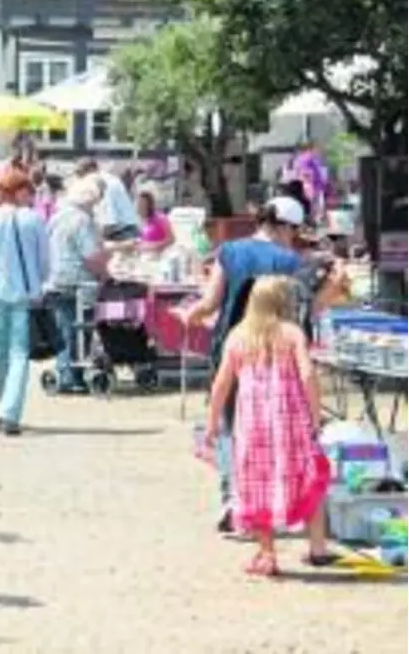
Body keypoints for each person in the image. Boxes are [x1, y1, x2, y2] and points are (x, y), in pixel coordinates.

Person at [177, 196, 309, 533]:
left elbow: (210, 302)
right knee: (268, 432)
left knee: (229, 426)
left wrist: (190, 315)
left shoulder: (229, 251)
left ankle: (232, 497)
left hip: (232, 347)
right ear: (284, 227)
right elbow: (299, 312)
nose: (293, 238)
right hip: (278, 355)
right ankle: (268, 502)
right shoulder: (291, 261)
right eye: (294, 231)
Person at [205, 275, 333, 576]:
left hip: (251, 422)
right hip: (289, 418)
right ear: (283, 302)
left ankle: (267, 553)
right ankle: (317, 547)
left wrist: (212, 422)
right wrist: (315, 413)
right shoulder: (291, 333)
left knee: (255, 481)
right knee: (310, 474)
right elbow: (307, 374)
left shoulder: (238, 335)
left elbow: (221, 383)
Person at [0, 169, 50, 435]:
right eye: (27, 190)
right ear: (18, 191)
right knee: (19, 353)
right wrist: (41, 282)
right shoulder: (35, 220)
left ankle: (5, 403)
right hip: (26, 294)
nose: (31, 195)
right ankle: (10, 410)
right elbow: (45, 261)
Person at [45, 179, 108, 395]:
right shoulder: (82, 221)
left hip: (56, 278)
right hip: (79, 280)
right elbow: (90, 256)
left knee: (64, 328)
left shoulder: (56, 217)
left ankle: (65, 372)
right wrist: (105, 271)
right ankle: (73, 374)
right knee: (80, 328)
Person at [76, 159, 139, 241]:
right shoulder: (105, 180)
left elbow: (109, 223)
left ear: (91, 170)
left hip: (123, 233)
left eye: (81, 174)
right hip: (121, 231)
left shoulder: (104, 184)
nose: (79, 178)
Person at [137, 190, 174, 255]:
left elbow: (171, 239)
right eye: (139, 204)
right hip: (145, 256)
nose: (139, 207)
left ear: (149, 205)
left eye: (142, 204)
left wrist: (154, 247)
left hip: (158, 256)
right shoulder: (145, 221)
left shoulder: (159, 217)